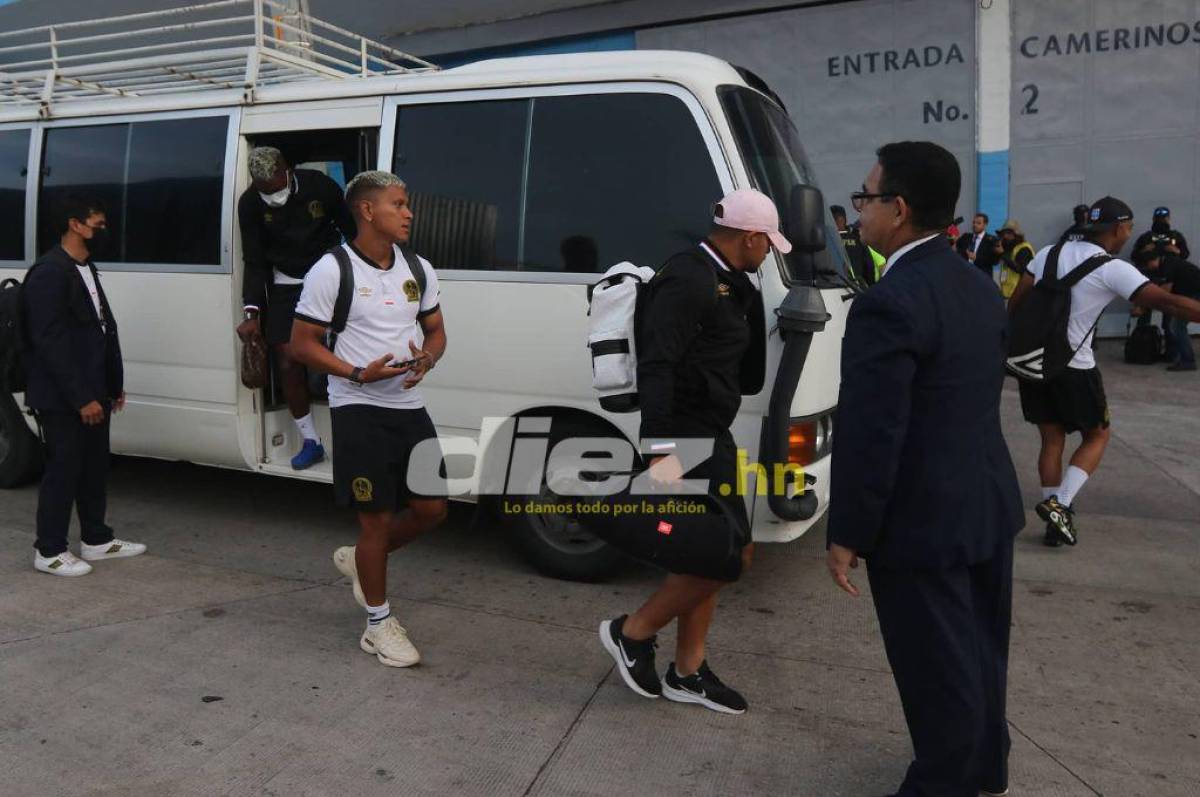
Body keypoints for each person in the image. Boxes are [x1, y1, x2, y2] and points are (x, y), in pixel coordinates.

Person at [828, 142, 1024, 797]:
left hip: (922, 522)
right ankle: (984, 768)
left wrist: (849, 531)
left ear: (900, 208)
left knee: (936, 672)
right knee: (980, 651)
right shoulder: (975, 281)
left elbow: (873, 431)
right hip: (986, 500)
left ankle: (942, 783)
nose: (859, 211)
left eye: (867, 196)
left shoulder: (889, 301)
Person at [598, 188, 780, 715]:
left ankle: (687, 670)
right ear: (749, 237)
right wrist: (659, 450)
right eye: (768, 244)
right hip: (681, 436)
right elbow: (657, 366)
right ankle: (633, 634)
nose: (770, 254)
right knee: (720, 554)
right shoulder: (688, 278)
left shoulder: (728, 281)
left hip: (708, 434)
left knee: (720, 550)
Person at [289, 171, 448, 667]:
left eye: (407, 204)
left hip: (408, 407)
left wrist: (428, 359)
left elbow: (437, 331)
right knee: (375, 520)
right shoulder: (331, 270)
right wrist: (357, 372)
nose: (408, 213)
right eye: (398, 204)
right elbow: (301, 344)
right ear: (367, 211)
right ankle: (378, 625)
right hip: (358, 408)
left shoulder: (418, 268)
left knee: (432, 509)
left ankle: (361, 561)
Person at [1008, 197, 1200, 548]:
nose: (1130, 233)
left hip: (1036, 363)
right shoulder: (1112, 268)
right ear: (1118, 228)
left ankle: (1056, 522)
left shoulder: (1049, 252)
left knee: (1051, 439)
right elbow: (1167, 302)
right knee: (1097, 435)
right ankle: (1060, 504)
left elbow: (1016, 303)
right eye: (1128, 227)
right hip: (1076, 368)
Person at [23, 197, 146, 577]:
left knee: (94, 467)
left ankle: (96, 539)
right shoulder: (49, 272)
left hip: (95, 391)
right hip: (64, 398)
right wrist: (81, 398)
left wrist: (113, 384)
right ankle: (50, 550)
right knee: (65, 469)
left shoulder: (85, 268)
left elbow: (102, 330)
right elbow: (51, 343)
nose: (103, 231)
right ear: (75, 224)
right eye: (98, 224)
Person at [236, 146, 356, 470]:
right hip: (286, 281)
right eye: (264, 192)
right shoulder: (250, 204)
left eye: (275, 189)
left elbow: (353, 231)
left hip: (329, 275)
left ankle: (352, 439)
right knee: (287, 359)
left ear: (287, 172)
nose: (272, 197)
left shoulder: (319, 186)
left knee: (342, 358)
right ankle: (311, 440)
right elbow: (255, 261)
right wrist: (252, 312)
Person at [1132, 206, 1190, 363]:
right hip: (1148, 282)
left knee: (1169, 320)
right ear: (1153, 219)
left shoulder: (1175, 236)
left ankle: (1171, 354)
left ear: (1169, 219)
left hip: (1171, 282)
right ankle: (1142, 351)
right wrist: (1144, 250)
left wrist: (1176, 251)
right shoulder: (1146, 238)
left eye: (1164, 218)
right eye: (1159, 218)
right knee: (1143, 317)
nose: (1162, 221)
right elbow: (1134, 257)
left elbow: (1185, 255)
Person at [1134, 249, 1200, 371]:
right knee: (1175, 326)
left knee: (1177, 326)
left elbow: (1164, 293)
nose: (1149, 269)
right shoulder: (1168, 262)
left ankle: (1187, 360)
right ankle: (1178, 356)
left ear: (1153, 260)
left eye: (1147, 265)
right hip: (1191, 293)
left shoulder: (1167, 266)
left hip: (1195, 293)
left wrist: (1143, 307)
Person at [831, 204, 875, 286]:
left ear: (830, 221)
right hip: (858, 288)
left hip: (834, 288)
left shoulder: (828, 241)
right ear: (845, 219)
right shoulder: (857, 239)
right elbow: (869, 266)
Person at [995, 219, 1034, 300]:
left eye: (1009, 233)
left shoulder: (1024, 249)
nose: (1005, 236)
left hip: (1019, 295)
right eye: (1004, 233)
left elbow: (1020, 269)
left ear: (1016, 235)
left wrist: (1003, 254)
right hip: (1007, 294)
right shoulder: (1010, 248)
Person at [954, 212, 1000, 281]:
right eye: (973, 222)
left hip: (982, 277)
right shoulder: (966, 237)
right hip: (965, 276)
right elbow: (956, 249)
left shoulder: (992, 240)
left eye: (978, 223)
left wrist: (976, 258)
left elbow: (994, 261)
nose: (975, 225)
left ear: (985, 225)